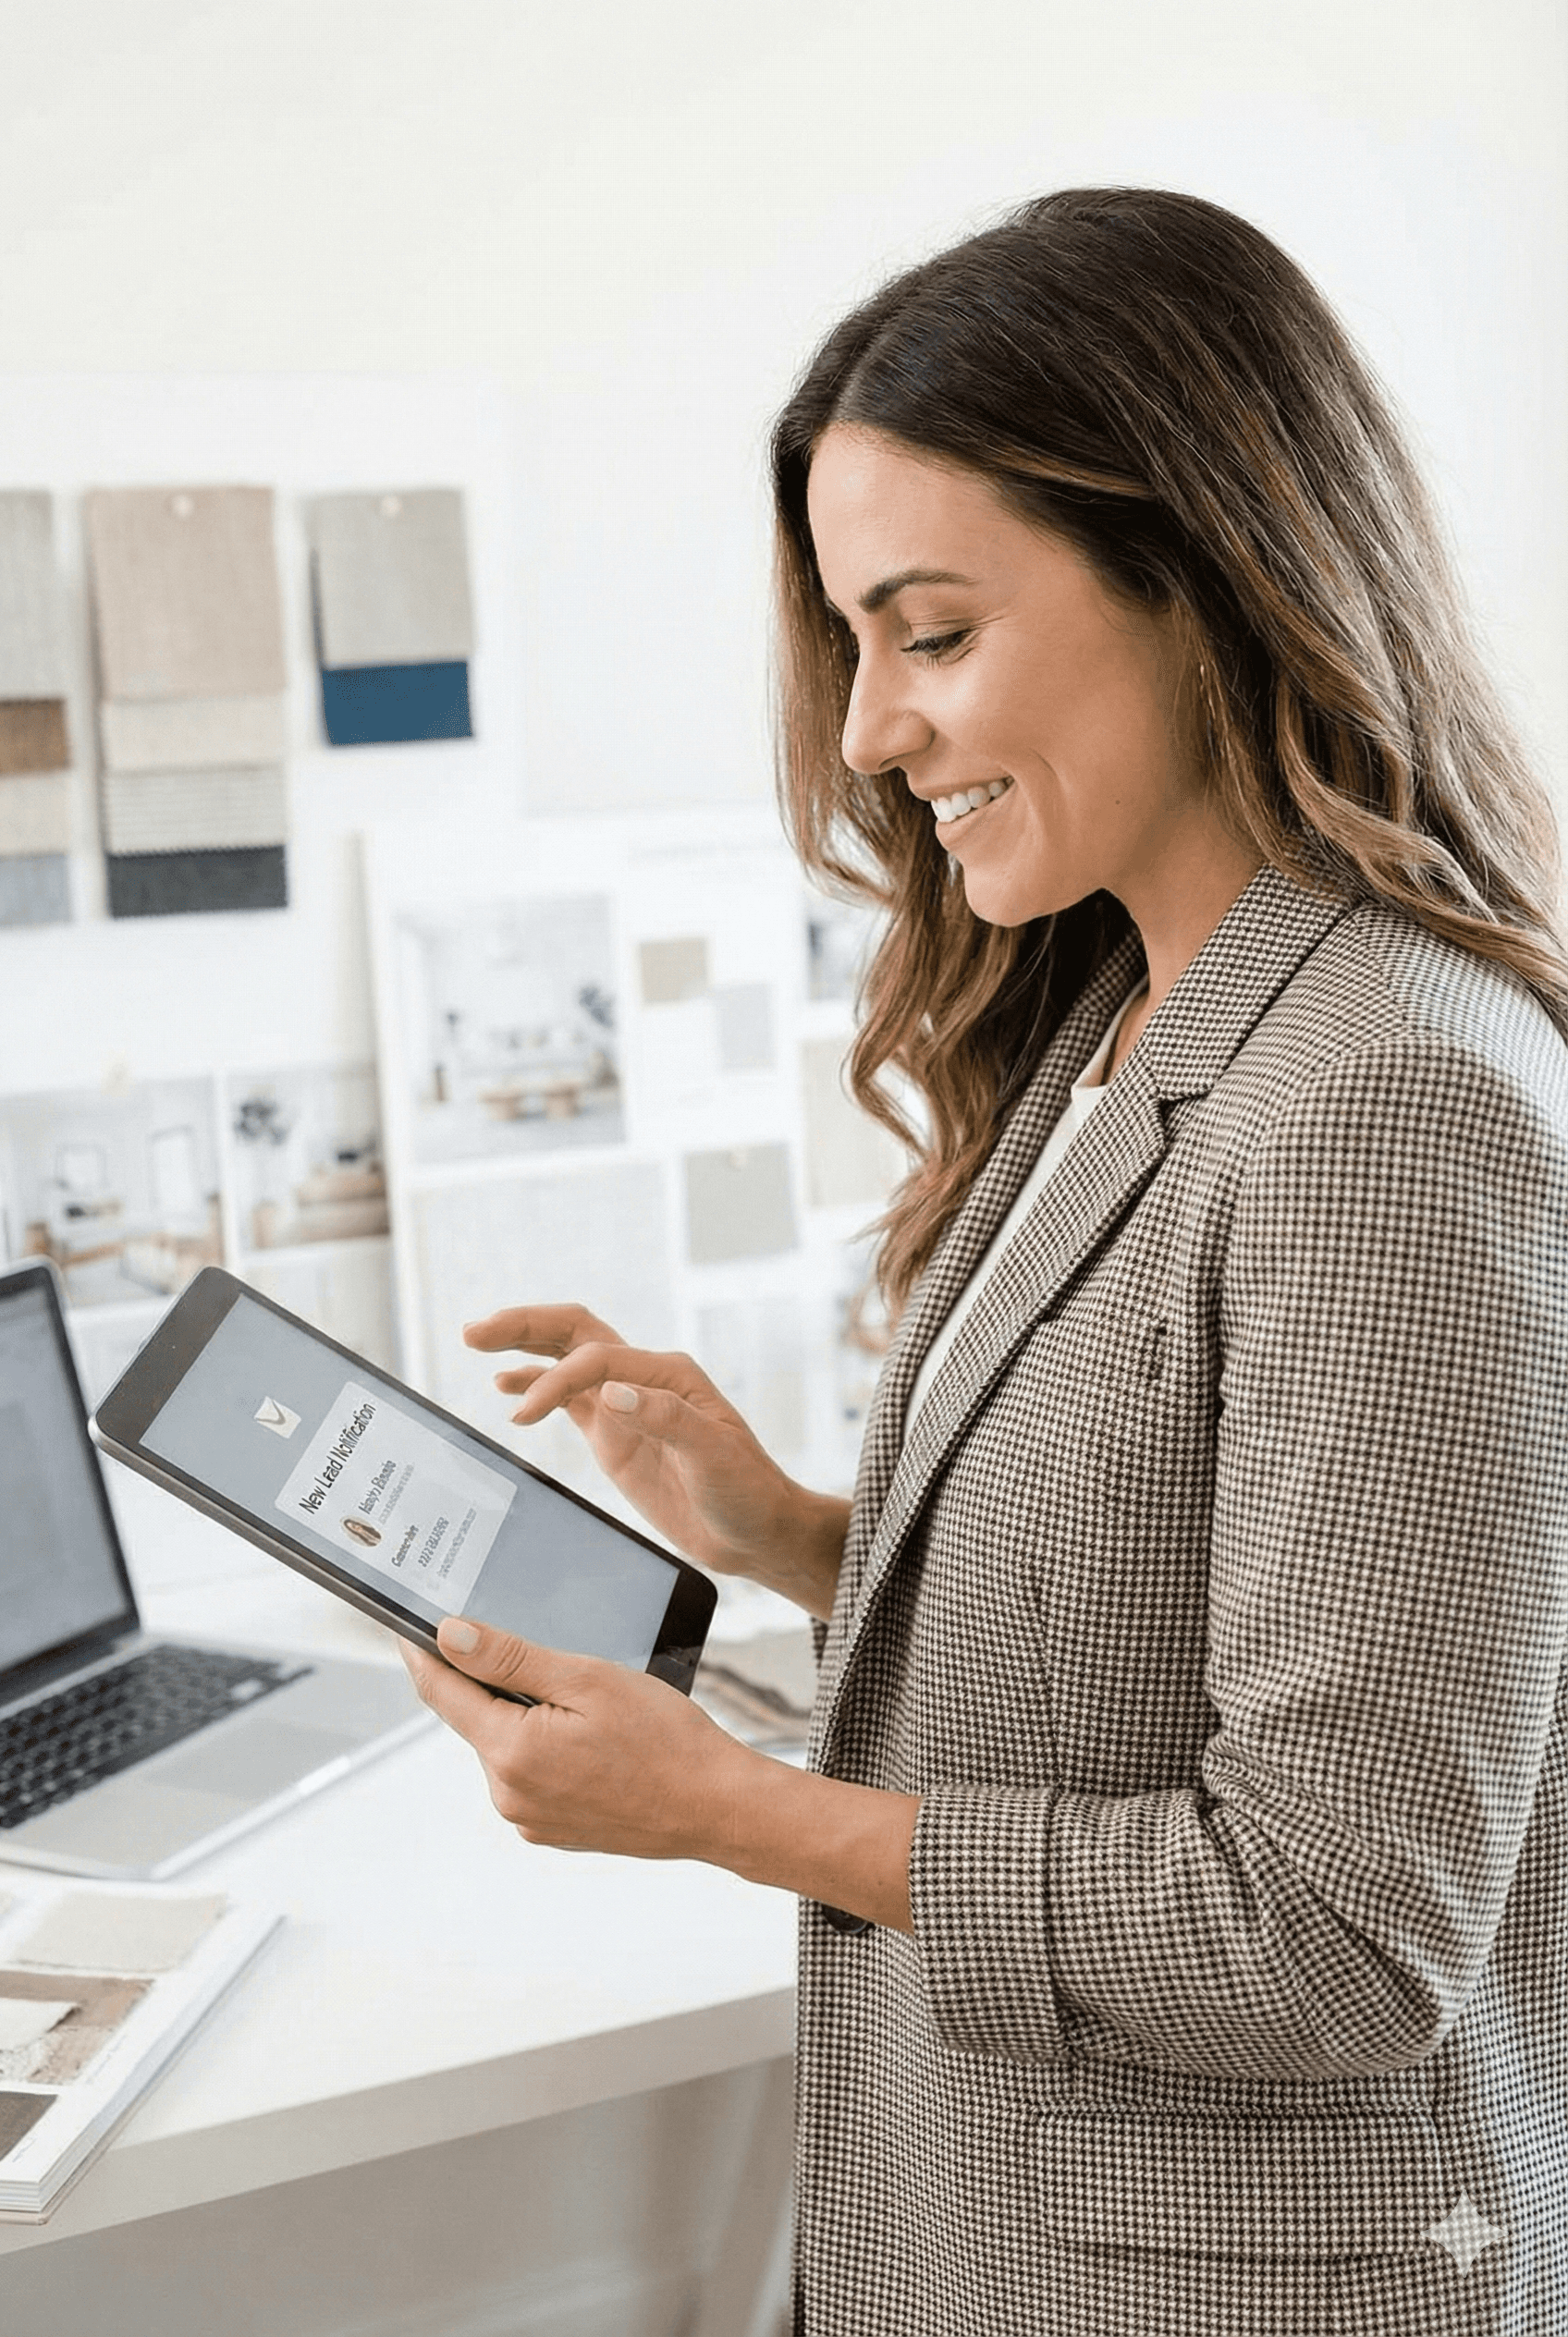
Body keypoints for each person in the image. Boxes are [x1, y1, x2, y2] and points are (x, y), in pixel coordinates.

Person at [402, 188, 1568, 2334]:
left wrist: (742, 1812)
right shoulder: (1126, 1013)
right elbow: (1165, 1627)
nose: (862, 732)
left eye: (929, 634)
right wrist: (793, 1533)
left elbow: (1332, 1922)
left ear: (1203, 578)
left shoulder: (1395, 1100)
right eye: (854, 643)